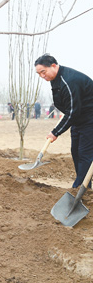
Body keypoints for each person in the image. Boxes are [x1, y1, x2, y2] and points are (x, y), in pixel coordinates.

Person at [35, 53, 93, 188]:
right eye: (39, 74)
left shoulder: (69, 80)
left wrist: (56, 132)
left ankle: (79, 188)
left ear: (53, 66)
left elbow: (72, 112)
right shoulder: (57, 79)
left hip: (89, 119)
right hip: (79, 120)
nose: (42, 76)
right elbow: (69, 109)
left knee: (85, 154)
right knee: (76, 152)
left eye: (43, 72)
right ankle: (85, 186)